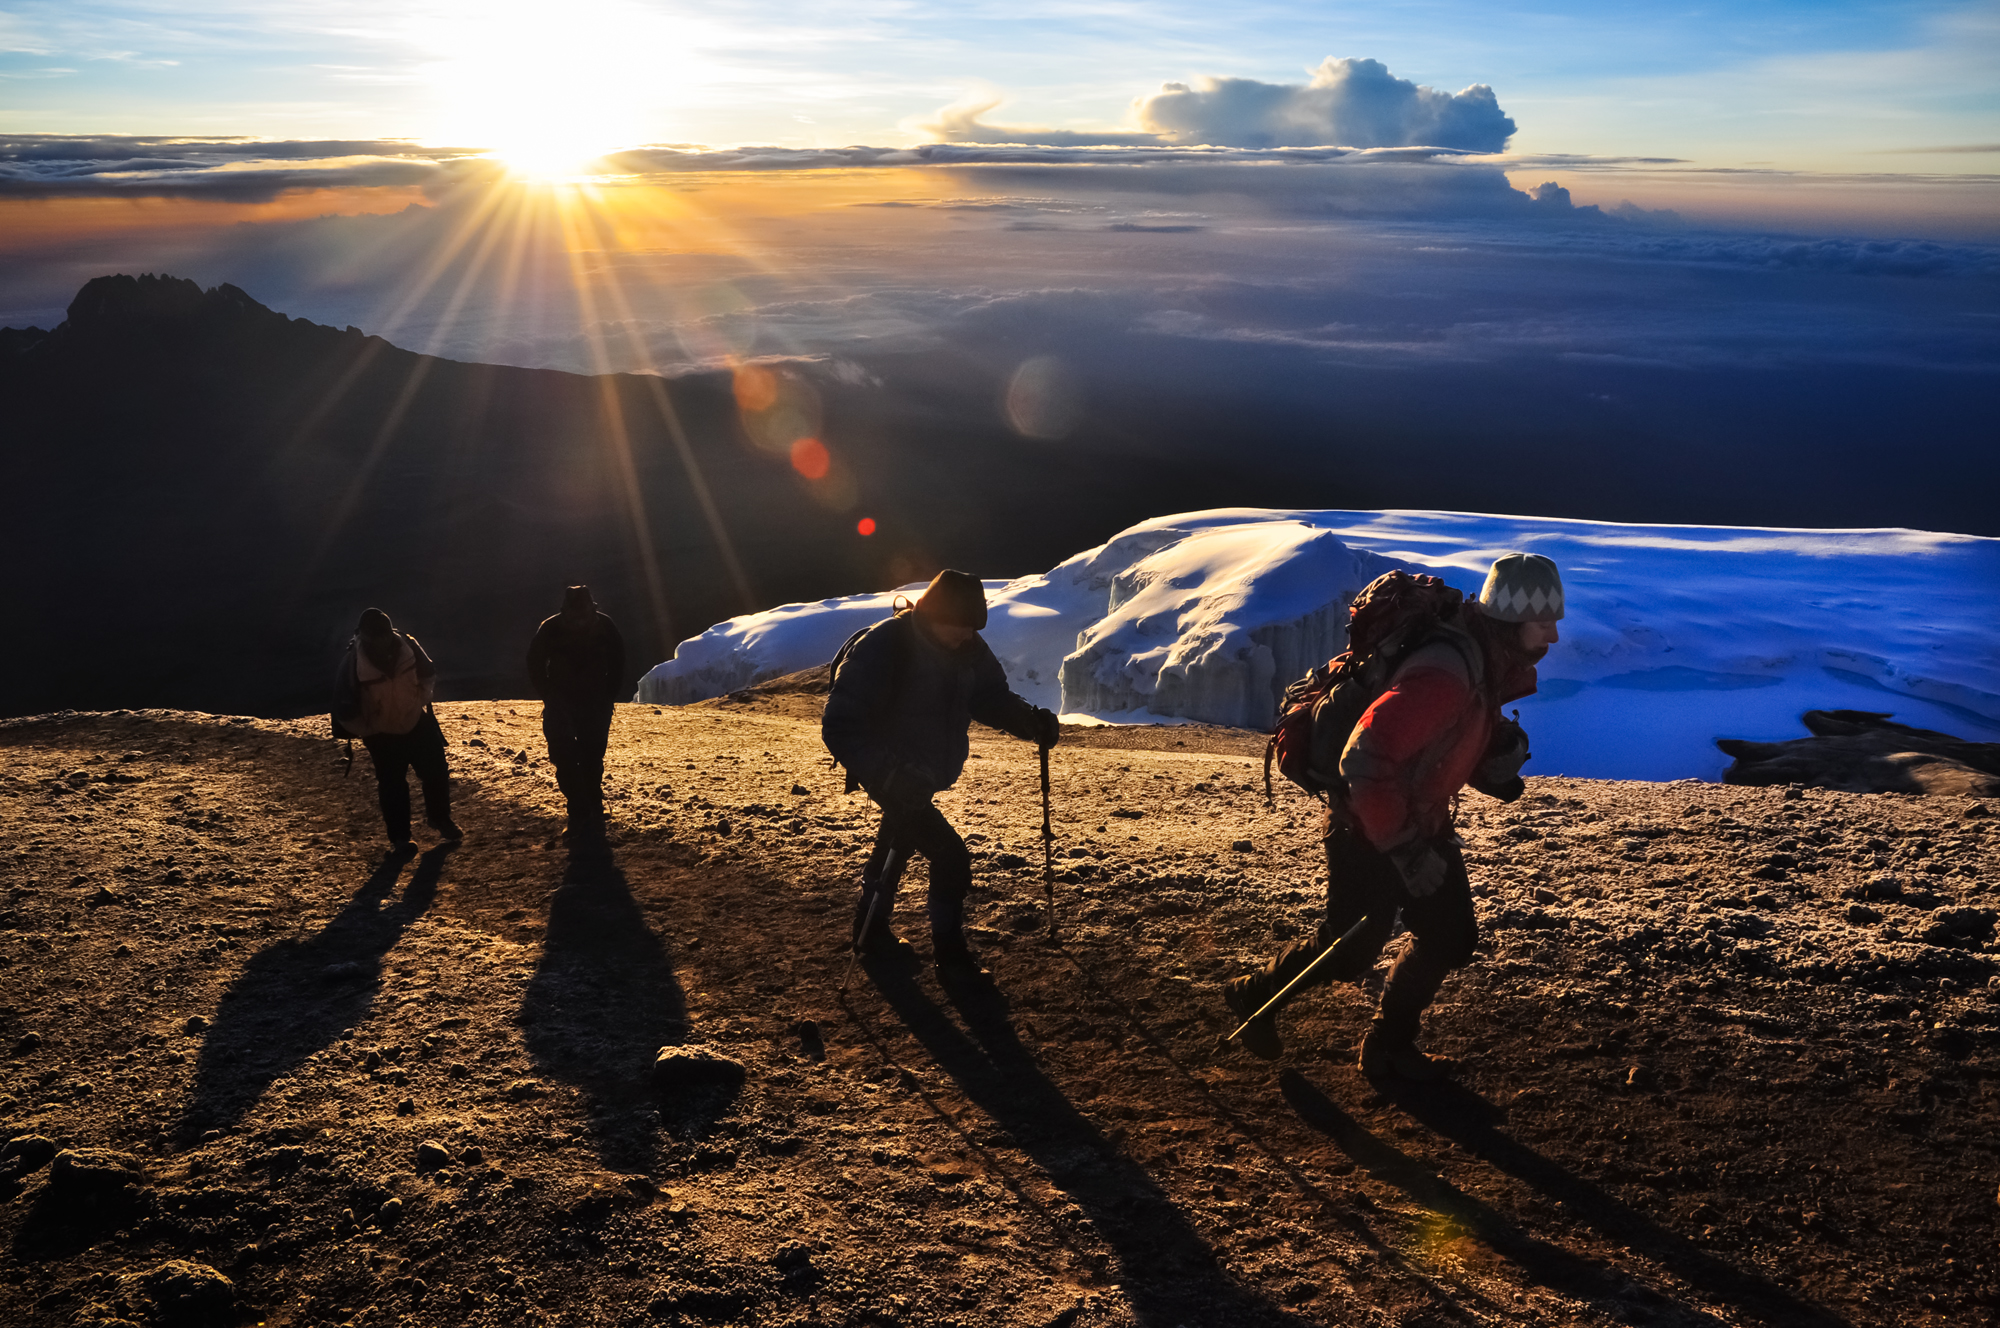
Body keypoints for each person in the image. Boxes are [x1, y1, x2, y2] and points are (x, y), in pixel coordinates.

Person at [1223, 553, 1565, 1080]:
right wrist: (1405, 850)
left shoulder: (1478, 654)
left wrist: (1488, 755)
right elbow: (1366, 757)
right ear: (1512, 620)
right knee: (1350, 946)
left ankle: (1388, 1047)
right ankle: (1255, 993)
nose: (1555, 637)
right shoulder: (1447, 672)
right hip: (1370, 825)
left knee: (1448, 935)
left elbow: (1434, 736)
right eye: (1545, 623)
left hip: (1417, 819)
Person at [822, 570, 1062, 976]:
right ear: (932, 615)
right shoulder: (884, 646)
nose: (968, 637)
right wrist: (891, 777)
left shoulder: (966, 645)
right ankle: (951, 957)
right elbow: (841, 725)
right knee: (950, 857)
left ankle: (870, 929)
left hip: (923, 771)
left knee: (897, 840)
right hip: (889, 771)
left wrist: (1029, 722)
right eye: (961, 628)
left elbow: (989, 696)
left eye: (973, 629)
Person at [333, 608, 461, 850]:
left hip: (414, 720)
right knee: (393, 785)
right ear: (366, 636)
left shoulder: (407, 646)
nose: (382, 639)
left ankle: (440, 819)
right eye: (377, 635)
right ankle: (401, 838)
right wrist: (369, 730)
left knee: (435, 772)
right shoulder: (354, 660)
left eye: (384, 634)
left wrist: (417, 702)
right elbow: (344, 706)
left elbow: (427, 674)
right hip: (381, 734)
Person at [526, 585, 627, 839]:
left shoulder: (552, 627)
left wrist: (548, 693)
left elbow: (534, 662)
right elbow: (619, 660)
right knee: (569, 756)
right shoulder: (602, 625)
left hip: (583, 701)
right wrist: (550, 695)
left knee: (587, 756)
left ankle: (585, 807)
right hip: (570, 702)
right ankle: (584, 808)